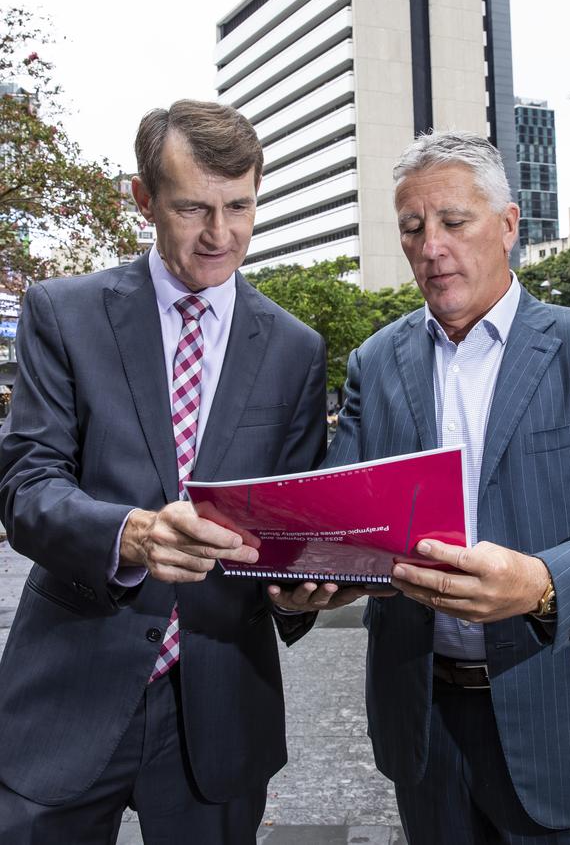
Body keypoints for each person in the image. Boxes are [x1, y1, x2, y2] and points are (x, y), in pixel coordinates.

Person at [273, 131, 570, 843]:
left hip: (566, 714)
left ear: (508, 224)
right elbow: (343, 511)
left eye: (453, 221)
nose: (430, 246)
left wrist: (541, 581)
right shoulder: (375, 362)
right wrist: (310, 576)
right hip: (427, 721)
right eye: (413, 228)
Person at [0, 100, 329, 844]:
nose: (221, 234)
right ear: (144, 199)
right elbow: (25, 485)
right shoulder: (62, 313)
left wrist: (302, 587)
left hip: (218, 709)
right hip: (67, 694)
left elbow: (297, 523)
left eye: (240, 206)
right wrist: (134, 532)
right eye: (193, 208)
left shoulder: (296, 349)